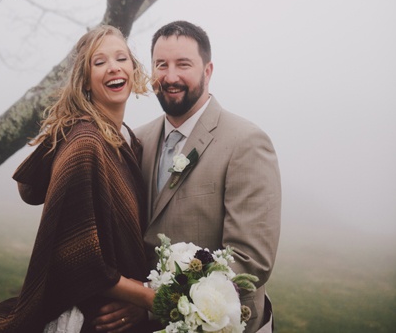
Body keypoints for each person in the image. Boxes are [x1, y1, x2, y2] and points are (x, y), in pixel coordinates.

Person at [0, 24, 155, 333]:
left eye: (121, 58)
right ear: (85, 80)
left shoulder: (127, 140)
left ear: (133, 68)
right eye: (99, 61)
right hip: (90, 319)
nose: (113, 68)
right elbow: (78, 259)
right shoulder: (86, 142)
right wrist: (153, 299)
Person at [94, 20, 281, 333]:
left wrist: (152, 305)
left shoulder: (246, 142)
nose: (170, 77)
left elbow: (249, 261)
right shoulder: (135, 141)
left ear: (207, 71)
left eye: (183, 64)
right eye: (161, 65)